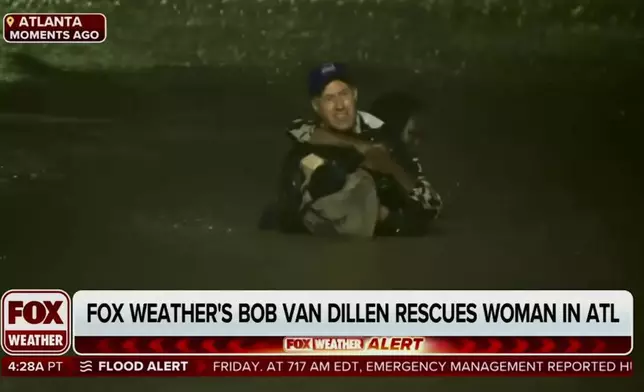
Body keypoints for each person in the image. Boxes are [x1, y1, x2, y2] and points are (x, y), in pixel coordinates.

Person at [260, 62, 442, 236]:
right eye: (329, 98)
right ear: (317, 105)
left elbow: (432, 204)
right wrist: (360, 148)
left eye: (344, 94)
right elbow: (296, 130)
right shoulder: (307, 133)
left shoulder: (382, 134)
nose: (340, 106)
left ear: (354, 95)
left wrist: (390, 167)